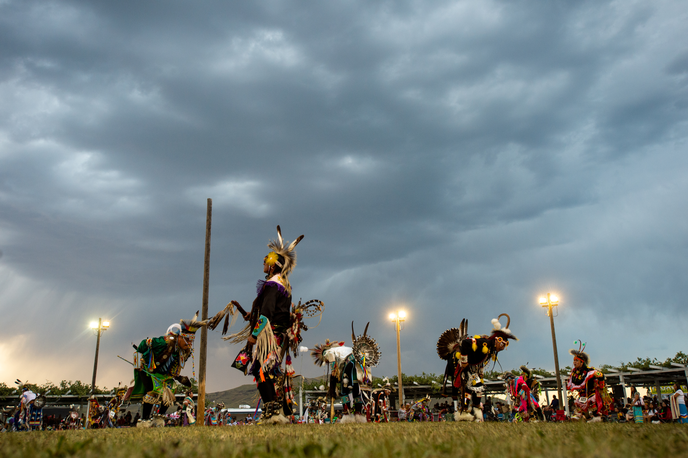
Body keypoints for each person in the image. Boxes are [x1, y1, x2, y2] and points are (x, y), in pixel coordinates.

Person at [436, 314, 518, 422]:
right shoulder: (484, 343)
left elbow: (481, 362)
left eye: (505, 346)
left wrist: (480, 372)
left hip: (472, 368)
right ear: (497, 340)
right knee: (471, 388)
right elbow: (465, 343)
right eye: (502, 344)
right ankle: (464, 413)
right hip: (462, 363)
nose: (503, 348)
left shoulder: (490, 350)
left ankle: (475, 412)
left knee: (478, 389)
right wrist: (464, 361)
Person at [129, 317, 204, 426]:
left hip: (165, 375)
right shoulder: (165, 341)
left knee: (170, 391)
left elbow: (176, 366)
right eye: (187, 340)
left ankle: (159, 419)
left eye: (191, 341)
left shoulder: (185, 351)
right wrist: (138, 362)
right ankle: (144, 420)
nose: (189, 343)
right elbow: (144, 343)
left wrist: (178, 376)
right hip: (148, 369)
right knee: (152, 392)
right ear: (179, 337)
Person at [566, 341, 612, 422]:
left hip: (593, 392)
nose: (574, 362)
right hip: (583, 394)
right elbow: (574, 383)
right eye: (574, 361)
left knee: (592, 403)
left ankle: (598, 416)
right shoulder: (574, 373)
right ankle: (588, 417)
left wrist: (601, 385)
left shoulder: (590, 371)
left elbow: (601, 375)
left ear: (581, 362)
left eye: (576, 361)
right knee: (579, 403)